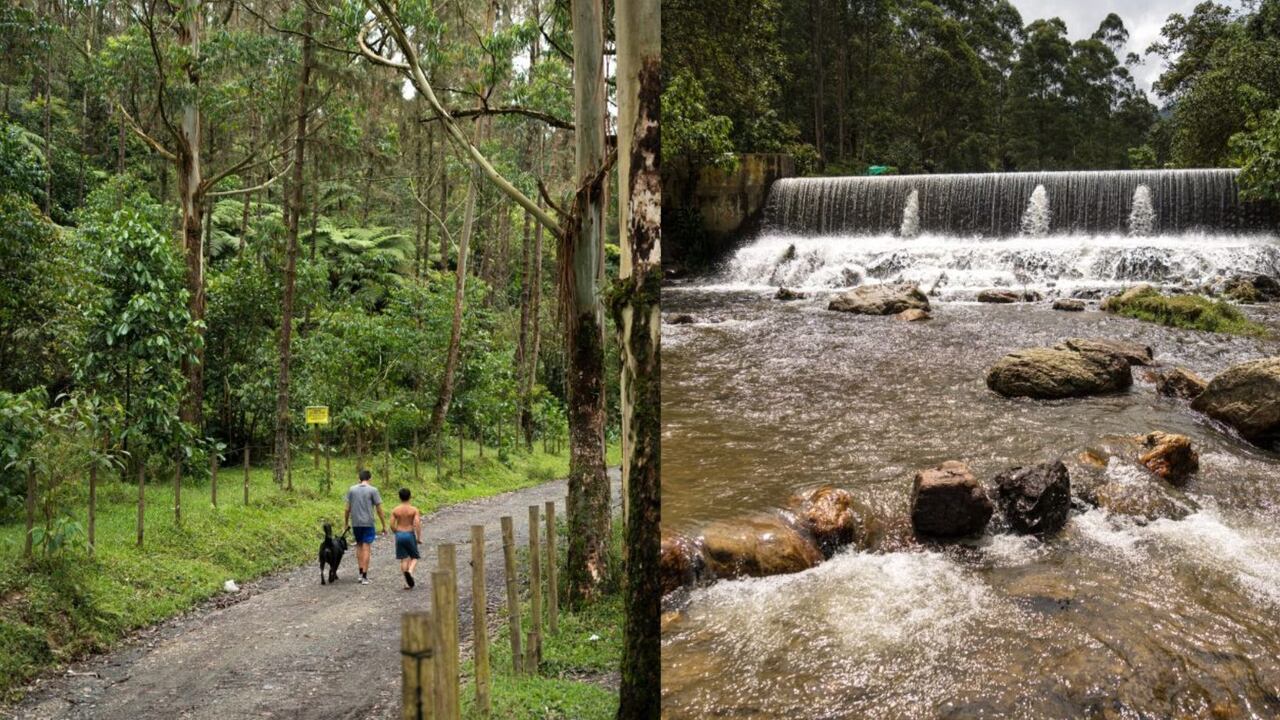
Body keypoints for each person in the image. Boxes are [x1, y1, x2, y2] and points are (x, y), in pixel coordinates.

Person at [343, 469, 386, 585]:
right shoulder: (373, 490)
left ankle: (360, 573)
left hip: (356, 522)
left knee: (359, 545)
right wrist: (384, 525)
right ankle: (365, 577)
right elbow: (379, 510)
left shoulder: (352, 489)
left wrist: (346, 523)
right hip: (368, 522)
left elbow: (347, 509)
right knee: (366, 547)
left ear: (359, 479)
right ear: (370, 479)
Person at [390, 487, 423, 588]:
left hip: (399, 534)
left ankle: (406, 582)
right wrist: (418, 537)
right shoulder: (413, 510)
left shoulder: (395, 510)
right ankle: (410, 571)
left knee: (404, 559)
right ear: (410, 497)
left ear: (399, 497)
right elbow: (417, 524)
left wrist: (396, 532)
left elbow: (391, 524)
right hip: (409, 534)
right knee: (415, 557)